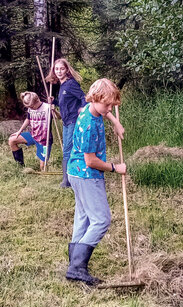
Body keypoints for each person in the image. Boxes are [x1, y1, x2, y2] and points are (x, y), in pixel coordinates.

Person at [65, 78, 127, 286]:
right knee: (101, 219)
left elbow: (104, 109)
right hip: (86, 175)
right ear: (95, 98)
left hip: (75, 173)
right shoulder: (89, 125)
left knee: (83, 216)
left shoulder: (90, 108)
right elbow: (91, 161)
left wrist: (115, 122)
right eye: (107, 104)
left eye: (112, 105)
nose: (109, 108)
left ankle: (75, 261)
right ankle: (76, 267)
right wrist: (114, 168)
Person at [46, 58, 125, 188]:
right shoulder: (62, 86)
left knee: (67, 151)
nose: (59, 71)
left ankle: (67, 182)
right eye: (56, 69)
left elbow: (85, 99)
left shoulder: (71, 84)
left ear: (67, 70)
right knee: (68, 150)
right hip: (66, 122)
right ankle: (71, 177)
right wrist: (53, 102)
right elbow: (65, 103)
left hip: (73, 121)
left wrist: (83, 109)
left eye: (62, 68)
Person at [8, 92, 54, 171]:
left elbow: (59, 117)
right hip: (33, 135)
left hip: (44, 140)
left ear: (37, 100)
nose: (31, 108)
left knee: (43, 168)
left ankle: (44, 167)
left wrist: (54, 111)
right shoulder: (31, 107)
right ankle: (20, 167)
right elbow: (28, 119)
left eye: (32, 106)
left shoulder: (47, 107)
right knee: (12, 140)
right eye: (29, 107)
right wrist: (19, 131)